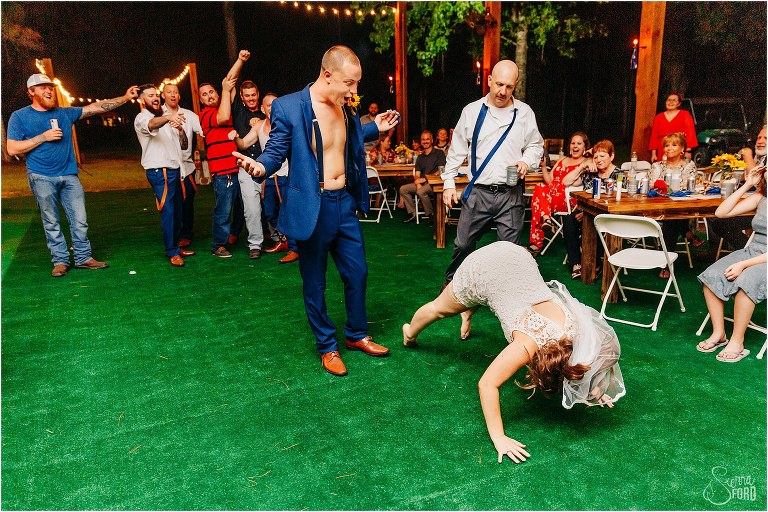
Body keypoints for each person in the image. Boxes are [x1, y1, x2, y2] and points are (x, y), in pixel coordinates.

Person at [234, 45, 401, 376]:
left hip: (344, 203)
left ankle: (356, 334)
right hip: (314, 205)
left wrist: (374, 128)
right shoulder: (290, 107)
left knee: (358, 272)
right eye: (349, 83)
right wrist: (261, 168)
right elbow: (277, 150)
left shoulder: (344, 106)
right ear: (328, 75)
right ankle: (327, 345)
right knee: (315, 282)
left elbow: (344, 137)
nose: (354, 91)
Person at [402, 241, 625, 463]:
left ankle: (468, 311)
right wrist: (499, 437)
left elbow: (585, 360)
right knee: (440, 309)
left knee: (490, 295)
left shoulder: (578, 329)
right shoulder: (527, 344)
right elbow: (487, 384)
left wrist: (593, 389)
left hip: (518, 256)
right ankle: (409, 333)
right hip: (484, 268)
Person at [6, 74, 138, 277]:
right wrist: (43, 137)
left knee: (80, 219)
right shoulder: (20, 116)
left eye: (50, 87)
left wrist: (125, 97)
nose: (49, 90)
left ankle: (84, 257)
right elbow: (12, 148)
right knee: (51, 220)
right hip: (40, 176)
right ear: (31, 92)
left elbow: (96, 107)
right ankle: (60, 261)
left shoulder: (65, 113)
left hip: (69, 175)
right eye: (42, 88)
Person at [442, 60, 544, 285]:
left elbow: (536, 145)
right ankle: (453, 286)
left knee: (509, 252)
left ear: (515, 84)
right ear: (489, 80)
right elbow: (457, 149)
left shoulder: (524, 113)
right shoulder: (471, 111)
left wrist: (526, 161)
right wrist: (448, 183)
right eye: (499, 84)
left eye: (509, 86)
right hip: (479, 192)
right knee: (464, 244)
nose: (502, 91)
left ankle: (504, 293)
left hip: (511, 193)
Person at [696, 164, 766, 363]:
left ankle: (737, 341)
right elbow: (721, 213)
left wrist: (744, 265)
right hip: (754, 251)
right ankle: (719, 333)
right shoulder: (761, 197)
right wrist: (747, 185)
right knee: (712, 275)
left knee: (747, 280)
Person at [134, 84, 196, 266]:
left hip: (176, 169)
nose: (154, 98)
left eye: (155, 95)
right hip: (159, 171)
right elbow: (152, 125)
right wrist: (169, 118)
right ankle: (171, 251)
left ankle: (175, 246)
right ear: (142, 100)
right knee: (168, 211)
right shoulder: (142, 117)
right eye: (149, 95)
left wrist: (180, 129)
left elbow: (183, 144)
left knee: (177, 210)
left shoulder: (164, 118)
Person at [198, 50, 249, 258]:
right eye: (205, 94)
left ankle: (233, 235)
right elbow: (224, 115)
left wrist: (240, 61)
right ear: (201, 100)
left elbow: (229, 81)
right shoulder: (207, 115)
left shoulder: (223, 103)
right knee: (224, 209)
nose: (210, 95)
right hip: (223, 172)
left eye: (212, 92)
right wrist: (224, 90)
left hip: (237, 168)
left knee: (242, 206)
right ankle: (218, 244)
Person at [561, 139, 621, 280]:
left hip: (610, 216)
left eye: (602, 156)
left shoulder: (619, 175)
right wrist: (583, 166)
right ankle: (576, 263)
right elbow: (566, 182)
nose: (598, 160)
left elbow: (618, 202)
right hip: (588, 212)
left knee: (595, 221)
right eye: (595, 157)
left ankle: (597, 263)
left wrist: (588, 213)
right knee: (569, 220)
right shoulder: (590, 174)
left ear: (611, 156)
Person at [708, 126, 767, 258]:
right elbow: (757, 184)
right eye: (759, 137)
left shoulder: (755, 157)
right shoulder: (761, 159)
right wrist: (747, 183)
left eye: (766, 138)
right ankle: (748, 252)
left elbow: (759, 184)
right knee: (719, 223)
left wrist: (747, 156)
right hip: (758, 208)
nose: (760, 141)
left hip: (760, 213)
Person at [527, 132, 590, 255]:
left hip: (568, 199)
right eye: (573, 143)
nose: (575, 146)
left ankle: (536, 242)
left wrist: (590, 154)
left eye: (579, 143)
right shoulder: (563, 159)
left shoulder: (587, 162)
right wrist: (544, 167)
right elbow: (550, 181)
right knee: (540, 188)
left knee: (539, 199)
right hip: (550, 196)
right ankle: (547, 219)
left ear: (585, 147)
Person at [648, 132, 700, 277]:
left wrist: (665, 186)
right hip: (657, 207)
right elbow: (653, 184)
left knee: (672, 219)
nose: (669, 148)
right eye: (666, 145)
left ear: (682, 148)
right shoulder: (657, 165)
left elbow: (687, 186)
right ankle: (688, 234)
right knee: (672, 218)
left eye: (674, 145)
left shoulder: (689, 165)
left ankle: (666, 264)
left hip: (681, 208)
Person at [256, 92, 299, 264]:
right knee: (269, 213)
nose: (272, 108)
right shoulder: (258, 125)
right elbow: (244, 143)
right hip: (268, 177)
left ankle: (294, 248)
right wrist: (234, 137)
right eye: (268, 105)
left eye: (275, 104)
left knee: (288, 213)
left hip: (285, 176)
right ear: (262, 108)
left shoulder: (286, 124)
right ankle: (284, 240)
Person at [161, 83, 204, 248]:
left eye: (176, 92)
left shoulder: (189, 115)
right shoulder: (158, 116)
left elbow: (204, 131)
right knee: (170, 203)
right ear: (163, 95)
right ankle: (172, 236)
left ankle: (186, 233)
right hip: (167, 167)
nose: (172, 95)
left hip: (187, 167)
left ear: (179, 96)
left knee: (187, 203)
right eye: (169, 92)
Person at [231, 78, 267, 259]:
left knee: (272, 205)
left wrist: (260, 119)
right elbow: (243, 144)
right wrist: (234, 137)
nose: (251, 98)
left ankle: (280, 238)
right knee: (251, 209)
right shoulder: (238, 111)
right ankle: (255, 244)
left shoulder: (267, 114)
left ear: (258, 95)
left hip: (268, 167)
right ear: (242, 97)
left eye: (254, 95)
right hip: (246, 166)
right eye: (247, 96)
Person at [400, 130, 446, 224]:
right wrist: (418, 183)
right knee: (403, 189)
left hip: (435, 183)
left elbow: (441, 171)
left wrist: (425, 179)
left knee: (421, 191)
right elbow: (417, 174)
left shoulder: (439, 153)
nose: (425, 141)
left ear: (432, 140)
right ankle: (412, 213)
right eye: (423, 139)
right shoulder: (420, 157)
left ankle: (431, 215)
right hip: (422, 183)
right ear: (421, 141)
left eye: (427, 139)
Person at [648, 92, 697, 163]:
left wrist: (688, 151)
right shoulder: (659, 117)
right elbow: (654, 136)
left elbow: (690, 133)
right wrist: (653, 154)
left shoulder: (685, 115)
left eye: (674, 100)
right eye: (669, 100)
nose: (671, 102)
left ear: (679, 104)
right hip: (663, 150)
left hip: (679, 149)